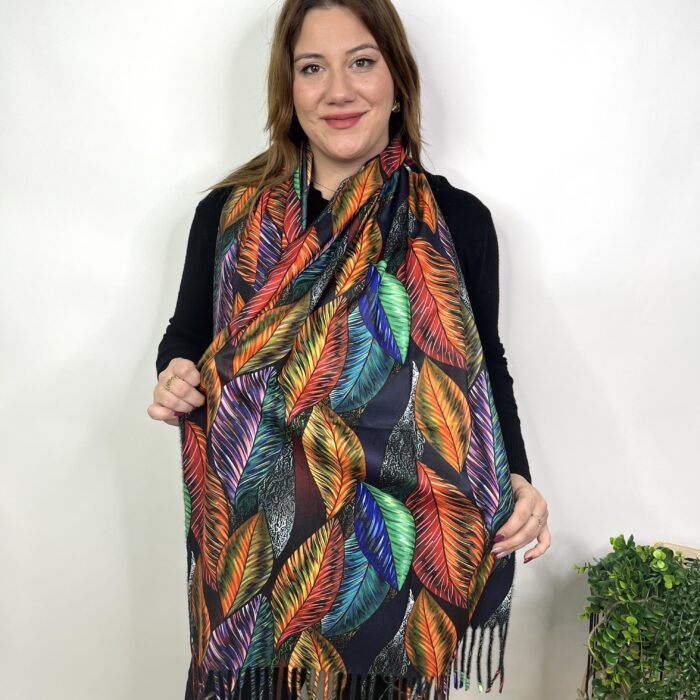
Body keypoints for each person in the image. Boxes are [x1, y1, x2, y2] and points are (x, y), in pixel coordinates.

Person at [148, 1, 550, 699]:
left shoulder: (457, 221)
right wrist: (175, 375)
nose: (338, 90)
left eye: (361, 62)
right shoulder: (226, 216)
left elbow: (483, 366)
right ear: (289, 88)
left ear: (397, 79)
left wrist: (516, 476)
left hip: (393, 558)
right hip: (256, 561)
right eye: (312, 68)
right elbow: (187, 339)